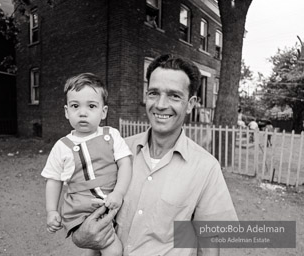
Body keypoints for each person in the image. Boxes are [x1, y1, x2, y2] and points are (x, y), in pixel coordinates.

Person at [72, 55, 238, 255]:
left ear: (191, 103)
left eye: (174, 96)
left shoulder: (205, 168)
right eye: (153, 93)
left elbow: (214, 242)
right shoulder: (117, 151)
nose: (160, 104)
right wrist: (80, 235)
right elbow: (90, 218)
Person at [41, 73, 132, 256]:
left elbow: (125, 164)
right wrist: (51, 211)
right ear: (67, 112)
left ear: (103, 112)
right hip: (79, 211)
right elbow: (53, 180)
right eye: (75, 106)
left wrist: (118, 193)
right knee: (112, 249)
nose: (83, 112)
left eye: (91, 106)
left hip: (109, 203)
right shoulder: (62, 146)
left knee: (93, 251)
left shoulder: (111, 135)